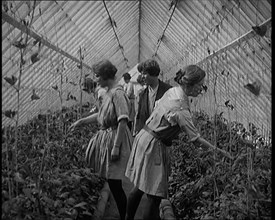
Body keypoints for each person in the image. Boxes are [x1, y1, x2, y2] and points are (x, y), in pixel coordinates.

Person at [125, 65, 232, 220]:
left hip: (145, 136)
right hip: (153, 146)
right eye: (200, 86)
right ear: (190, 84)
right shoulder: (181, 107)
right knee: (154, 194)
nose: (201, 90)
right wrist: (220, 152)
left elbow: (157, 107)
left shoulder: (172, 91)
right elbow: (196, 140)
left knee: (140, 186)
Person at [69, 59, 133, 220]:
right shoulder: (109, 93)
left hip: (115, 138)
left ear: (105, 76)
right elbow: (102, 115)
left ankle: (125, 216)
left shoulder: (118, 93)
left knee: (115, 184)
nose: (95, 79)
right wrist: (81, 121)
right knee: (113, 182)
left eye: (97, 76)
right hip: (109, 137)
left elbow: (123, 121)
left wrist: (116, 147)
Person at [133, 59, 171, 136]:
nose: (142, 77)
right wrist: (137, 130)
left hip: (164, 137)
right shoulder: (142, 94)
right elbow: (139, 115)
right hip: (146, 135)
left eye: (144, 73)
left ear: (153, 73)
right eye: (141, 74)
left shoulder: (168, 91)